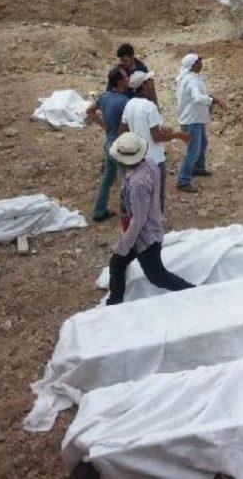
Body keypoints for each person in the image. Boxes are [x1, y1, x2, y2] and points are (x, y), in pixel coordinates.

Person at [105, 132, 194, 305]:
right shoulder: (150, 165)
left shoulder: (137, 183)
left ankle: (193, 292)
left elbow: (138, 220)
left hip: (144, 237)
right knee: (117, 264)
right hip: (151, 228)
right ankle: (114, 302)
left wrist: (123, 245)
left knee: (157, 277)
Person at [120, 70, 189, 209]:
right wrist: (178, 135)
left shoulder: (130, 104)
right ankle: (156, 227)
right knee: (156, 197)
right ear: (144, 85)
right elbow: (156, 137)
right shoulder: (150, 107)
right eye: (150, 81)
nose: (152, 84)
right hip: (154, 160)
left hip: (137, 159)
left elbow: (122, 131)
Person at [176, 53, 226, 193]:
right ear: (193, 64)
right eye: (199, 61)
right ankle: (183, 180)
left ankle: (198, 168)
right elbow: (197, 97)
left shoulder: (192, 78)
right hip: (191, 120)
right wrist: (213, 100)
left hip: (195, 118)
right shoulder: (190, 80)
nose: (201, 63)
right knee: (193, 150)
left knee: (203, 143)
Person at [87, 66, 130, 222]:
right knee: (127, 181)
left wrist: (103, 125)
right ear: (119, 82)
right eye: (126, 78)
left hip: (108, 142)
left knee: (107, 178)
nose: (128, 79)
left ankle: (99, 211)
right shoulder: (124, 101)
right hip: (119, 146)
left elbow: (90, 111)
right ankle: (130, 215)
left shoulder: (104, 96)